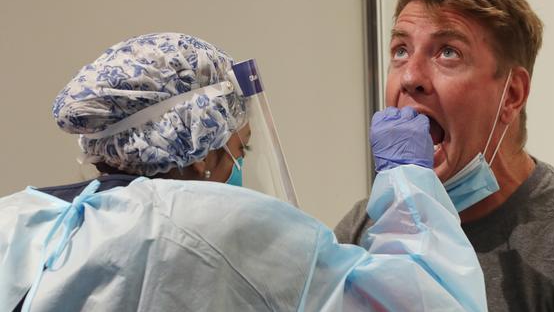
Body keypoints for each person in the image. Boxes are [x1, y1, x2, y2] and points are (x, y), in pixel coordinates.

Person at [1, 32, 487, 311]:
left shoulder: (21, 221)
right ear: (198, 152)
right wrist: (408, 181)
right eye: (241, 149)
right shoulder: (208, 226)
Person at [335, 0, 554, 311]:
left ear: (512, 94)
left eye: (447, 52)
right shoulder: (365, 230)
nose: (410, 77)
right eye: (400, 50)